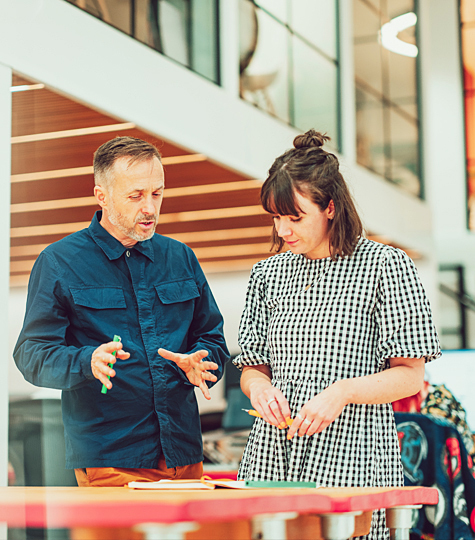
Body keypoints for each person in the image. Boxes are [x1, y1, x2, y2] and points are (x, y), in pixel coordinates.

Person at [233, 129, 441, 539]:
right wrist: (259, 389)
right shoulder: (267, 273)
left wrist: (341, 392)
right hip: (272, 458)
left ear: (330, 208)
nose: (283, 231)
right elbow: (252, 368)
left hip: (354, 454)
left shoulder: (385, 266)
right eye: (276, 218)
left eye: (295, 218)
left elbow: (410, 375)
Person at [14, 136, 229, 487]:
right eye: (136, 195)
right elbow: (31, 354)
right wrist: (87, 362)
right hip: (110, 461)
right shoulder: (59, 262)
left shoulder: (181, 258)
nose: (150, 208)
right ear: (102, 196)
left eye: (157, 193)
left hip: (184, 457)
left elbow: (212, 339)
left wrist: (201, 362)